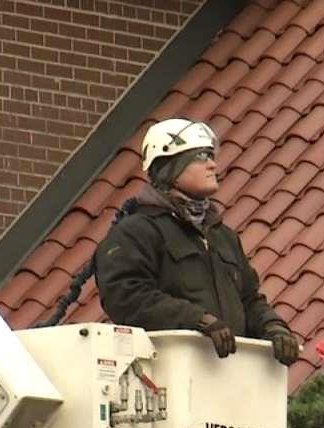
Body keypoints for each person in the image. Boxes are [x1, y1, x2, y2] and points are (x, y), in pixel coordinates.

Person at [94, 118, 299, 365]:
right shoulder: (137, 232)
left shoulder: (222, 236)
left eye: (211, 155)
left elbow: (249, 299)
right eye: (201, 156)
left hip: (230, 375)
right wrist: (196, 320)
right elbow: (126, 297)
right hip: (169, 375)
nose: (213, 164)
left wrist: (274, 327)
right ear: (170, 168)